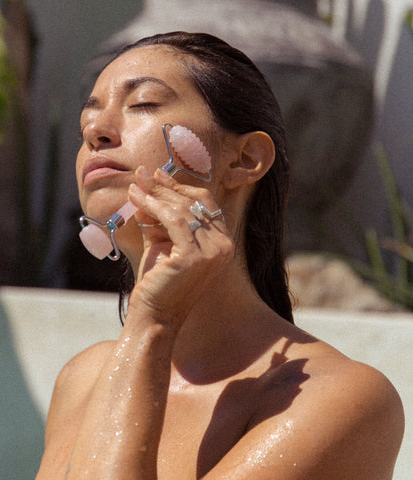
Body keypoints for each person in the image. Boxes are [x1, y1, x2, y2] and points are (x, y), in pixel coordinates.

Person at [36, 32, 404, 479]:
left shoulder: (338, 398)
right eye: (85, 122)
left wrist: (153, 321)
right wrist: (149, 325)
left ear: (245, 158)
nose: (95, 131)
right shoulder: (84, 378)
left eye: (144, 104)